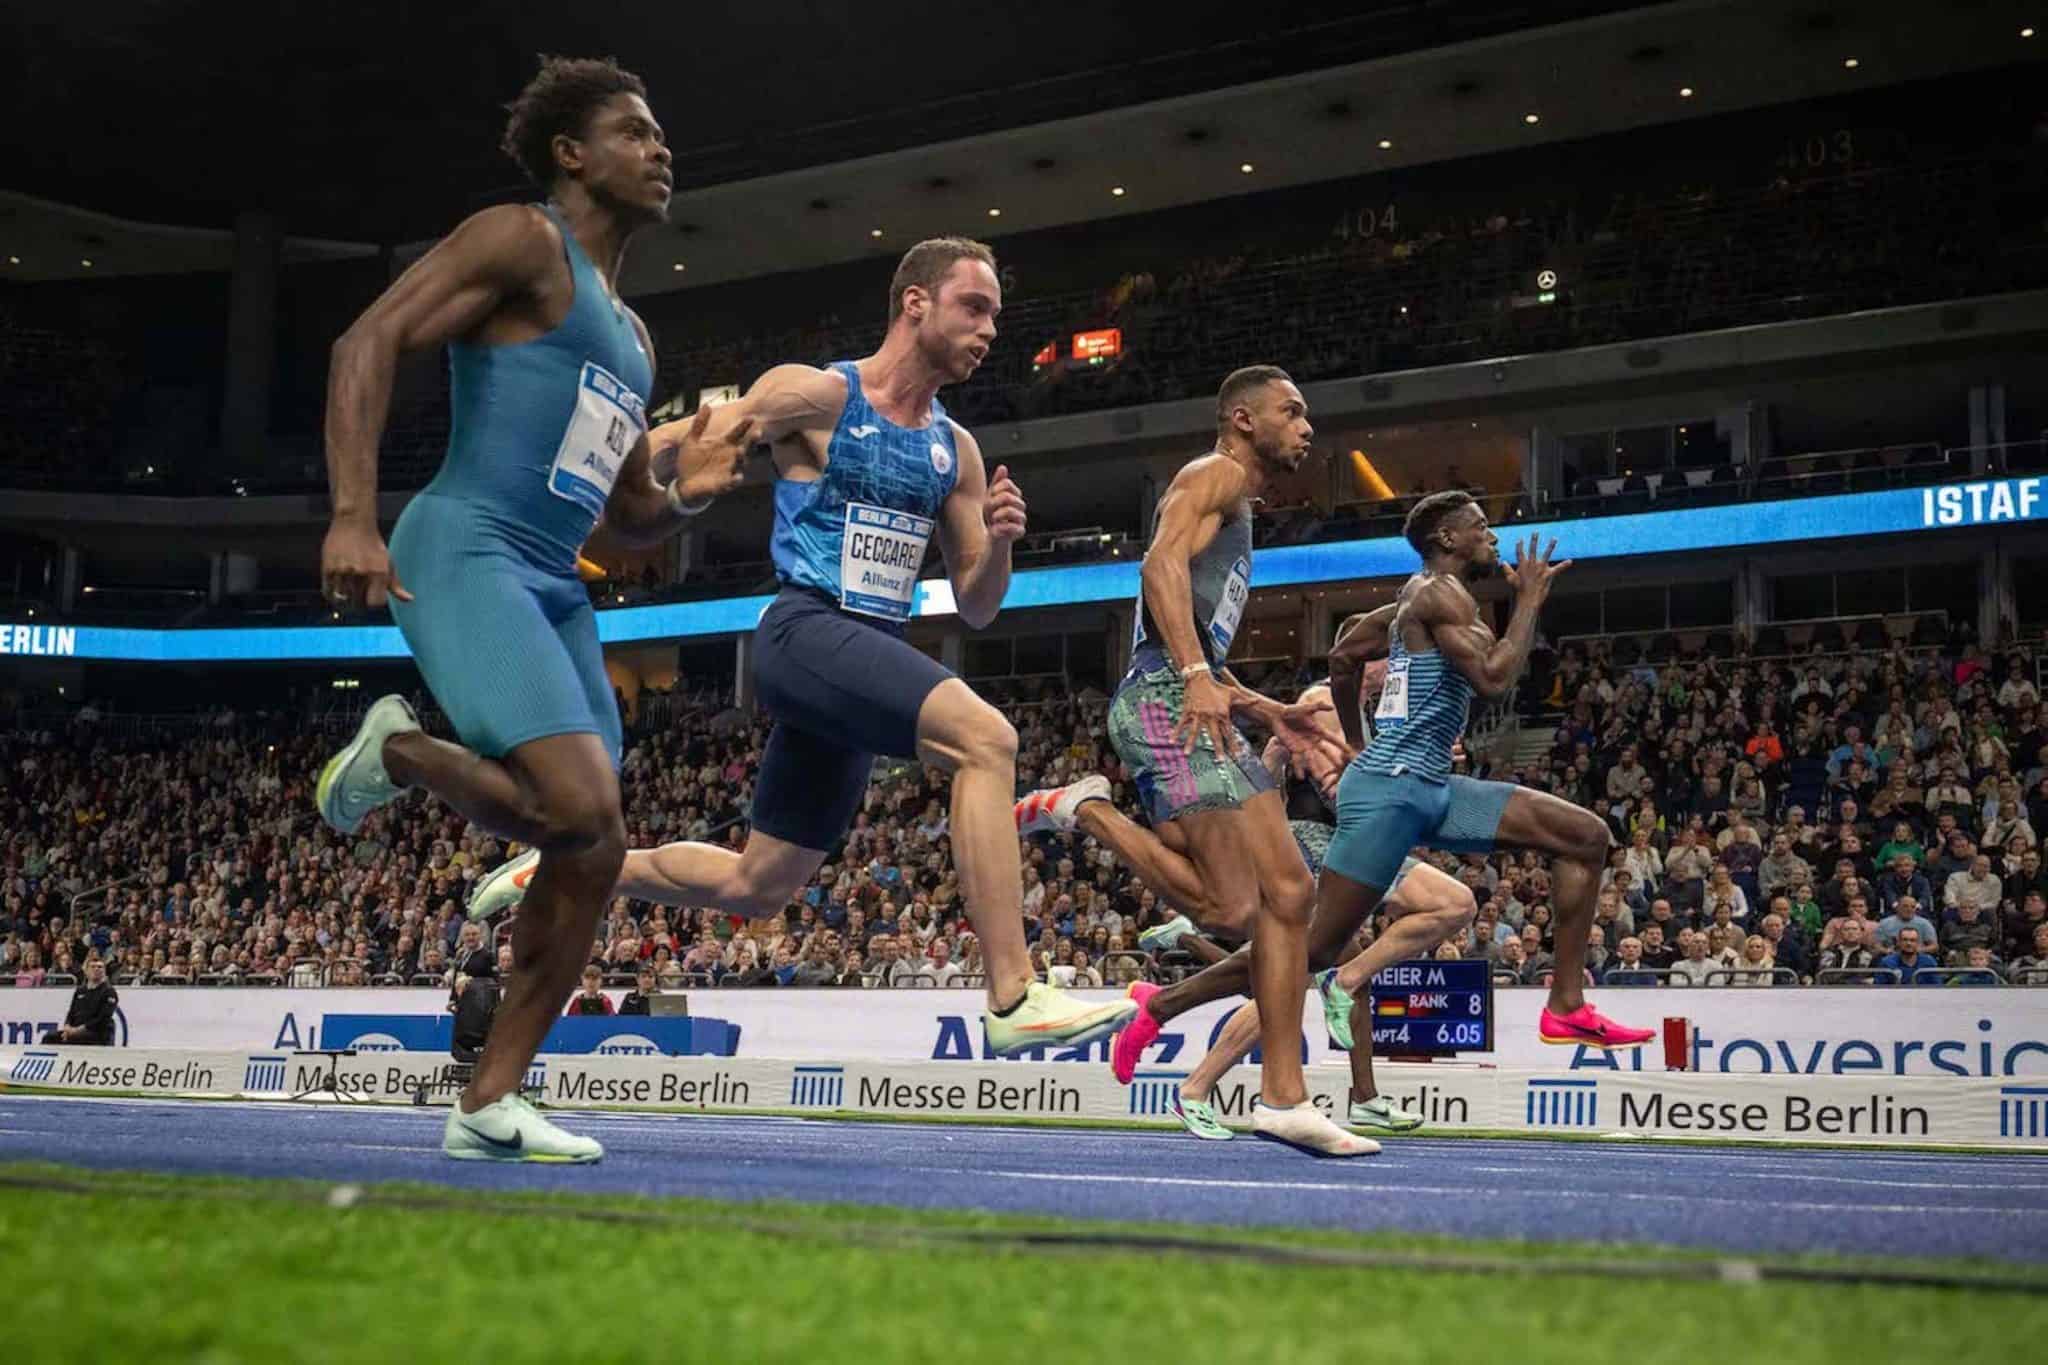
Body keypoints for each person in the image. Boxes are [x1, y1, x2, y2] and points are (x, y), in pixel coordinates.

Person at [472, 234, 1134, 1056]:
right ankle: (1011, 995)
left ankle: (568, 862)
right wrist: (565, 493)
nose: (991, 327)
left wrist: (999, 542)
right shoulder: (819, 396)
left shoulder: (956, 451)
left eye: (996, 313)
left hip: (856, 667)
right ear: (915, 303)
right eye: (975, 306)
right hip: (803, 631)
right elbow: (684, 436)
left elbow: (977, 605)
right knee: (987, 739)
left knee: (759, 884)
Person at [314, 59, 750, 1164]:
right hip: (465, 545)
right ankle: (401, 746)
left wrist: (688, 491)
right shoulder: (521, 239)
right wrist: (353, 517)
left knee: (593, 844)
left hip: (555, 580)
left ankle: (489, 1103)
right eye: (636, 133)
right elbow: (361, 343)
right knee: (573, 806)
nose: (663, 152)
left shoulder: (637, 339)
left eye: (663, 137)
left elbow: (628, 518)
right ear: (572, 153)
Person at [1100, 493, 1653, 1090]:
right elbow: (1494, 678)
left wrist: (1364, 742)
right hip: (1390, 795)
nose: (1494, 537)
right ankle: (1162, 1006)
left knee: (1585, 837)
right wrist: (1529, 602)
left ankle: (1565, 1006)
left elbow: (1342, 653)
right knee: (1309, 952)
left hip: (1428, 785)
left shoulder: (1411, 601)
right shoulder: (1437, 594)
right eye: (1482, 527)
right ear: (1446, 538)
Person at [1020, 366, 1365, 1155]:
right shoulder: (1212, 473)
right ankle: (1090, 808)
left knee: (1289, 893)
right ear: (1242, 418)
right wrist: (1199, 676)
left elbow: (1192, 630)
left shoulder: (1238, 502)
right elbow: (1157, 568)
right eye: (1293, 411)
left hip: (1187, 696)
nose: (1307, 427)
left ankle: (1283, 1097)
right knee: (1231, 909)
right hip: (1161, 701)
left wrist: (1258, 702)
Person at [1018, 659, 1476, 1142]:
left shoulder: (1366, 712)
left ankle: (1190, 1056)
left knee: (1289, 975)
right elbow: (1346, 796)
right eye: (1394, 659)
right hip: (1317, 840)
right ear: (1372, 660)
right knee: (1449, 903)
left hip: (1335, 840)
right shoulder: (1323, 705)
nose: (1402, 671)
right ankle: (1338, 1053)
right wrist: (1421, 775)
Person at [41, 956, 117, 1046]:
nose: (96, 969)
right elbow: (71, 1012)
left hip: (96, 1033)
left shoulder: (109, 992)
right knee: (49, 1037)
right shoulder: (80, 991)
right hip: (75, 1030)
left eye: (100, 967)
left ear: (104, 971)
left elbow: (102, 1018)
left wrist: (77, 1031)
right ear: (86, 971)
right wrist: (67, 1027)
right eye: (93, 967)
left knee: (74, 1038)